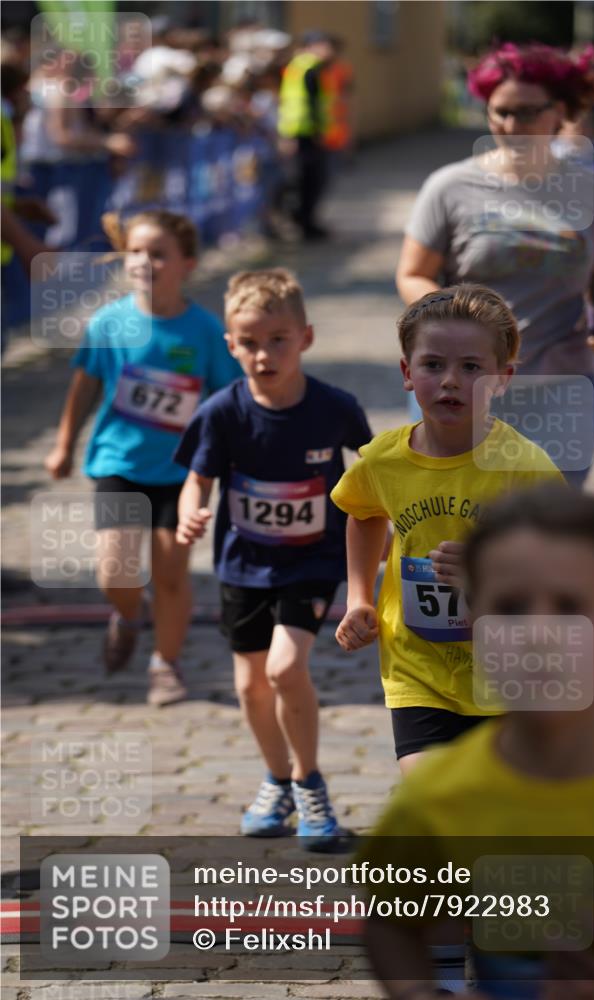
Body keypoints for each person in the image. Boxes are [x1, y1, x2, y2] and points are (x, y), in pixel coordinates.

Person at [361, 485, 594, 1000]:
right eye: (509, 607)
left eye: (569, 604)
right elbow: (390, 922)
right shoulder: (438, 795)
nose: (537, 631)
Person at [174, 268, 372, 848]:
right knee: (251, 687)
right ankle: (277, 779)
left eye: (277, 340)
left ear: (305, 338)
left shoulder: (335, 408)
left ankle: (311, 784)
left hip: (311, 562)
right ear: (231, 346)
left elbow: (377, 465)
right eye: (250, 343)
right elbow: (198, 478)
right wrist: (191, 510)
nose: (264, 354)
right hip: (243, 565)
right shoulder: (221, 411)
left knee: (285, 669)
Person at [331, 285, 564, 773]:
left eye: (472, 367)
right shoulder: (383, 460)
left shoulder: (525, 467)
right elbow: (362, 513)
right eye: (433, 365)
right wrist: (359, 597)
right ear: (406, 373)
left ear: (503, 378)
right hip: (417, 666)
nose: (451, 381)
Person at [396, 43, 594, 486]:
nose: (510, 126)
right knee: (448, 521)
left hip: (560, 387)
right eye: (498, 111)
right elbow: (412, 272)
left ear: (559, 110)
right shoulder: (449, 187)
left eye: (526, 112)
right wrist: (451, 323)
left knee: (549, 527)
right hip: (460, 386)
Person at [45, 209, 241, 705]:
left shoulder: (203, 330)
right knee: (117, 572)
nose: (144, 262)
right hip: (119, 464)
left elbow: (227, 398)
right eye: (135, 252)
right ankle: (129, 616)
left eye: (158, 254)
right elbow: (85, 382)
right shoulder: (109, 322)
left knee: (172, 572)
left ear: (187, 264)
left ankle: (165, 666)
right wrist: (64, 443)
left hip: (182, 472)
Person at [277, 31, 335, 240]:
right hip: (307, 133)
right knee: (310, 181)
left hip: (297, 131)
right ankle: (305, 223)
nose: (329, 51)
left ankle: (303, 221)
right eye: (325, 45)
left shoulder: (297, 66)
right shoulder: (310, 67)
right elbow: (313, 103)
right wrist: (320, 130)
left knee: (304, 180)